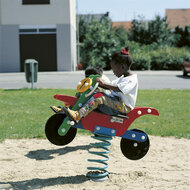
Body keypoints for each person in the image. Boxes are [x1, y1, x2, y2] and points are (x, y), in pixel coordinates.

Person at [52, 47, 138, 123]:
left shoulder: (132, 79)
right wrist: (97, 84)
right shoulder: (121, 79)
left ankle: (78, 115)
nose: (113, 71)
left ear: (122, 66)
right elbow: (109, 87)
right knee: (88, 94)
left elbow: (118, 89)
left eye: (114, 68)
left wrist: (103, 83)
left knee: (99, 98)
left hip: (122, 108)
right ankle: (67, 110)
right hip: (115, 103)